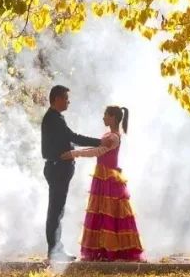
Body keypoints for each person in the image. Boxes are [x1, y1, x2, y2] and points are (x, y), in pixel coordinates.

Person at [67, 105, 143, 261]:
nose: (103, 118)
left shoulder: (113, 137)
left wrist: (73, 153)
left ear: (113, 117)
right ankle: (103, 249)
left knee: (109, 213)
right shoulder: (109, 135)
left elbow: (98, 151)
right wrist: (74, 150)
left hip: (108, 178)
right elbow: (97, 147)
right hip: (103, 177)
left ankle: (111, 251)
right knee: (102, 213)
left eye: (105, 115)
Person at [41, 85, 102, 262]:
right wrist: (99, 142)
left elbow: (66, 141)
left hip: (59, 168)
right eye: (66, 98)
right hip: (57, 168)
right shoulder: (54, 119)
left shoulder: (56, 118)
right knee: (56, 210)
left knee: (57, 209)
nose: (68, 101)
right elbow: (73, 137)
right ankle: (54, 251)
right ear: (57, 99)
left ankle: (56, 249)